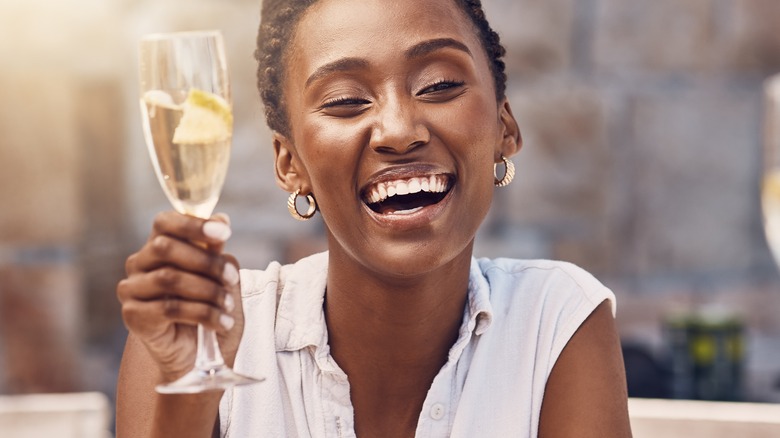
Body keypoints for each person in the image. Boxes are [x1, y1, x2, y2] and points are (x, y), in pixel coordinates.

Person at [116, 0, 632, 436]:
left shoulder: (556, 323)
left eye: (438, 85)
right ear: (290, 164)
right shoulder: (191, 337)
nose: (398, 130)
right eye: (345, 101)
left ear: (505, 127)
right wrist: (188, 396)